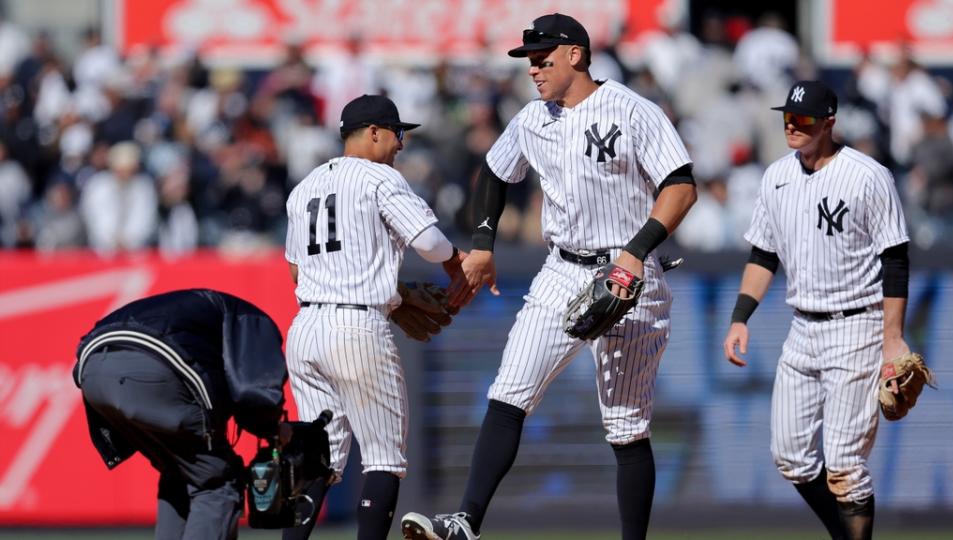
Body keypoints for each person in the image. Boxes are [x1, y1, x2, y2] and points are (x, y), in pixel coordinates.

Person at [402, 13, 698, 540]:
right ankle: (467, 521)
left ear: (576, 55)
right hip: (562, 267)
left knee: (627, 427)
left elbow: (680, 187)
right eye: (529, 60)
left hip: (629, 275)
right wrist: (484, 243)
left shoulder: (632, 110)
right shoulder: (532, 118)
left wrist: (635, 252)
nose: (534, 69)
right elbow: (494, 171)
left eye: (543, 58)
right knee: (509, 391)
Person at [722, 81, 911, 540]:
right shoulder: (776, 176)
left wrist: (892, 338)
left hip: (857, 326)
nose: (792, 124)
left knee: (845, 465)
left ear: (829, 122)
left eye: (803, 118)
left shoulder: (867, 175)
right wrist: (740, 317)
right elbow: (764, 255)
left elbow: (895, 258)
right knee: (791, 457)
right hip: (802, 328)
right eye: (787, 116)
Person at [282, 94, 467, 540]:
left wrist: (389, 293)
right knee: (384, 459)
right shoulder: (379, 178)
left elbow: (294, 269)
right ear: (374, 133)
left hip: (306, 328)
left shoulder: (304, 186)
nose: (402, 144)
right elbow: (430, 243)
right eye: (398, 133)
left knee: (318, 456)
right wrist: (459, 263)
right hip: (356, 327)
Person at [74, 288, 296, 540]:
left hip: (91, 372)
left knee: (182, 472)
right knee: (218, 480)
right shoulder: (253, 321)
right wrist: (273, 429)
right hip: (152, 364)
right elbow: (252, 390)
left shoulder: (210, 309)